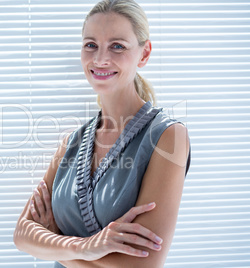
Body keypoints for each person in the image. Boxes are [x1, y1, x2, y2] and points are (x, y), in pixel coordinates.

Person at [13, 0, 191, 267]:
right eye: (91, 45)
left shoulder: (168, 137)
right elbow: (22, 235)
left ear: (144, 54)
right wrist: (84, 247)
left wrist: (54, 242)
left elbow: (141, 264)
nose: (100, 59)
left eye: (117, 46)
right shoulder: (71, 143)